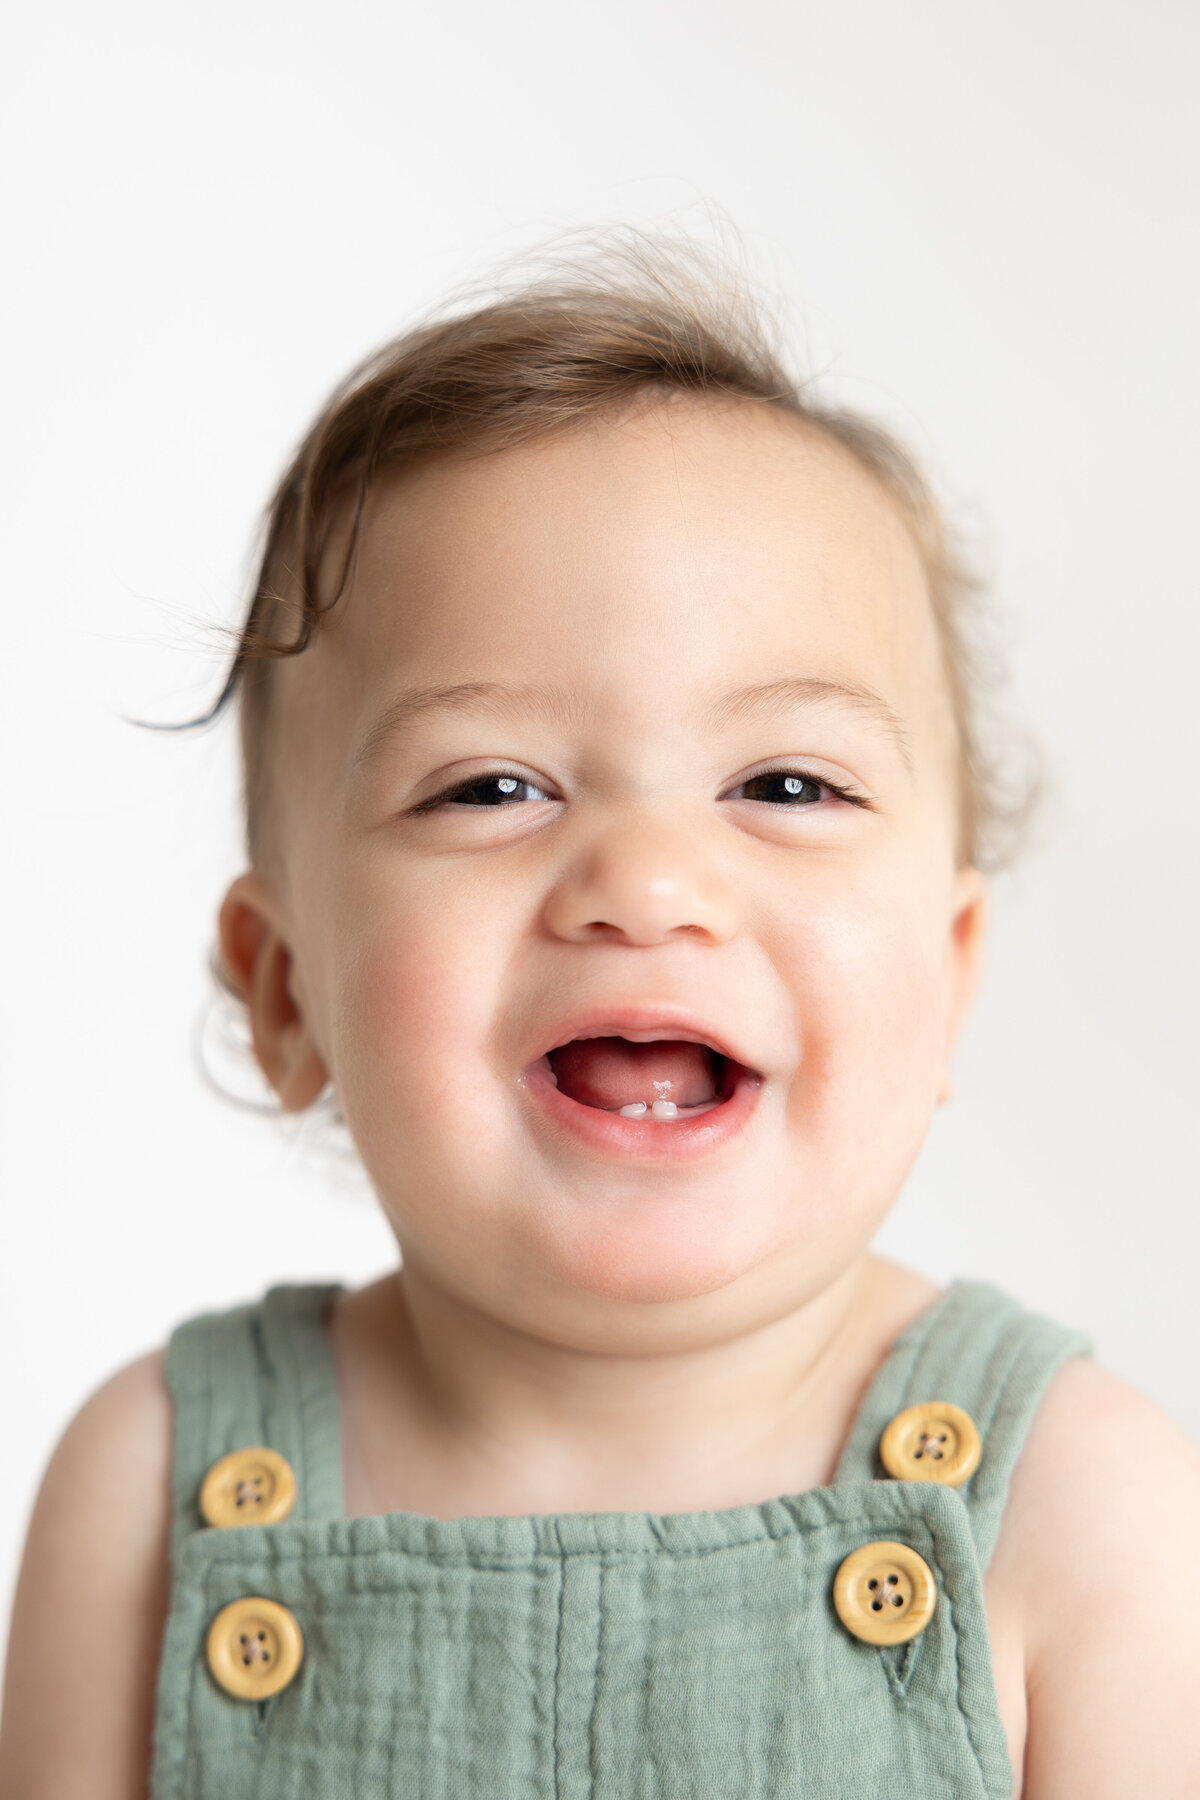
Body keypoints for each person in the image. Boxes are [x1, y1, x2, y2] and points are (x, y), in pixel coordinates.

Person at [3, 250, 1198, 1800]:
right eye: (491, 786)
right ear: (289, 989)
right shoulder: (151, 1491)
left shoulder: (1088, 1514)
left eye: (786, 784)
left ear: (951, 972)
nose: (646, 884)